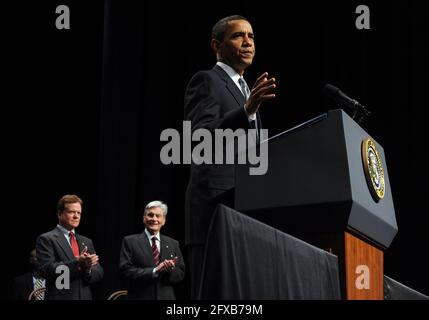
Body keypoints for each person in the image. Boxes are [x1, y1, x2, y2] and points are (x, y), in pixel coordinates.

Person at [184, 15, 276, 298]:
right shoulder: (207, 80)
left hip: (244, 209)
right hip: (214, 209)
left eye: (251, 36)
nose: (247, 42)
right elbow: (199, 139)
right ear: (217, 45)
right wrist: (246, 110)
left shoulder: (247, 91)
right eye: (238, 36)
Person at [36, 194, 103, 300]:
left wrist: (88, 269)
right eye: (71, 212)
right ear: (59, 214)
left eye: (79, 213)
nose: (76, 216)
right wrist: (77, 264)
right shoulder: (46, 239)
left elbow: (99, 273)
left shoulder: (86, 241)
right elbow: (47, 270)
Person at [119, 200, 185, 300]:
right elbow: (126, 271)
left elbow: (180, 273)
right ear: (144, 219)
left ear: (164, 221)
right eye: (150, 215)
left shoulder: (173, 244)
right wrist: (154, 271)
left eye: (158, 216)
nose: (154, 219)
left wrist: (170, 270)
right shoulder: (130, 241)